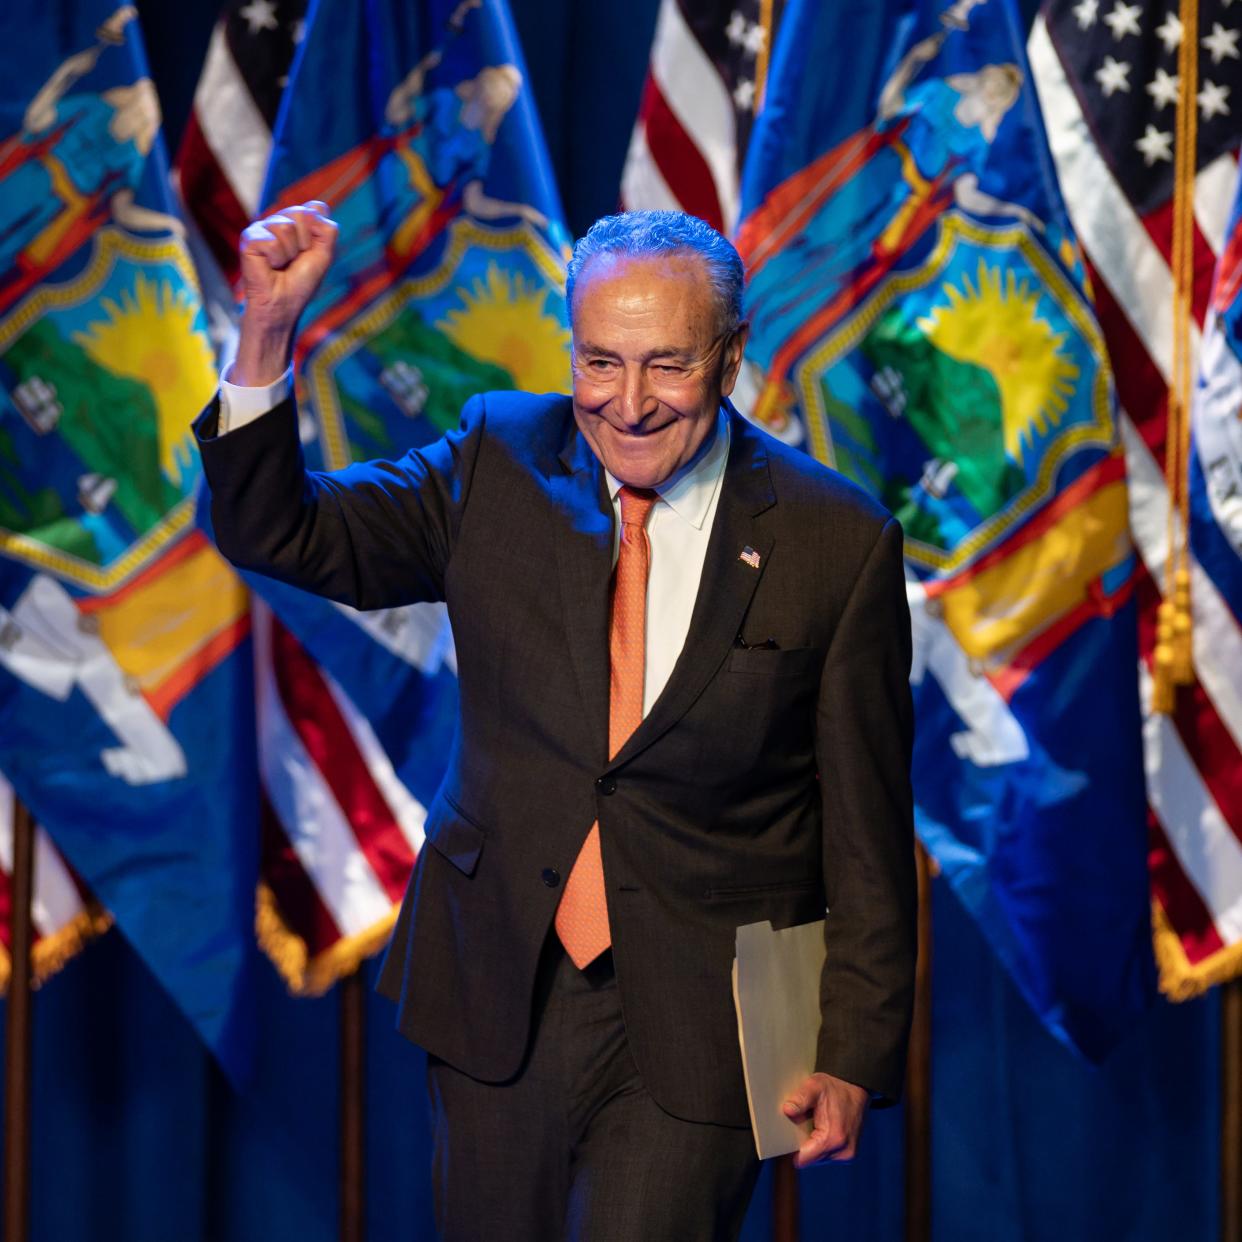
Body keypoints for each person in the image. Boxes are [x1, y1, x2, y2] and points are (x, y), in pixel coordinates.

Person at [194, 204, 916, 1241]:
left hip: (709, 1015)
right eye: (599, 363)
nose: (627, 405)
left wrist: (852, 1047)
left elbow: (866, 828)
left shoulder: (833, 541)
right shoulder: (498, 458)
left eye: (666, 366)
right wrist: (265, 334)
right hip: (499, 986)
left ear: (732, 353)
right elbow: (280, 529)